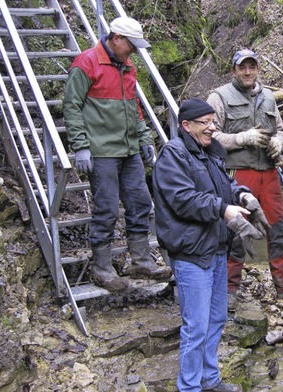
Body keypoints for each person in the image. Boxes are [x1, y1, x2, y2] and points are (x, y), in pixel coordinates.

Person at [152, 98, 266, 392]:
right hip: (190, 253)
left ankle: (208, 378)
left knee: (216, 318)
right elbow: (182, 199)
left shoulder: (209, 150)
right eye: (205, 122)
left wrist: (242, 194)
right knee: (196, 326)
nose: (212, 127)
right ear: (186, 125)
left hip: (215, 246)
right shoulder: (173, 155)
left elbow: (224, 185)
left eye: (213, 121)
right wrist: (223, 209)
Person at [63, 16, 171, 291]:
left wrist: (145, 138)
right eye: (131, 45)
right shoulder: (86, 63)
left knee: (140, 203)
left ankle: (141, 260)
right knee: (107, 208)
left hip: (129, 149)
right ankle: (101, 267)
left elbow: (133, 107)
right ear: (117, 38)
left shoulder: (127, 66)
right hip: (101, 151)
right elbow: (72, 108)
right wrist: (81, 146)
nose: (134, 50)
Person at [206, 48, 283, 309]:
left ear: (257, 69)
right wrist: (240, 139)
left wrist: (279, 141)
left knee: (278, 227)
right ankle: (228, 288)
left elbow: (279, 128)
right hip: (235, 173)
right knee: (235, 230)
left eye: (251, 66)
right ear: (233, 70)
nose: (247, 71)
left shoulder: (267, 96)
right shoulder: (219, 96)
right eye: (242, 67)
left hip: (268, 172)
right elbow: (208, 136)